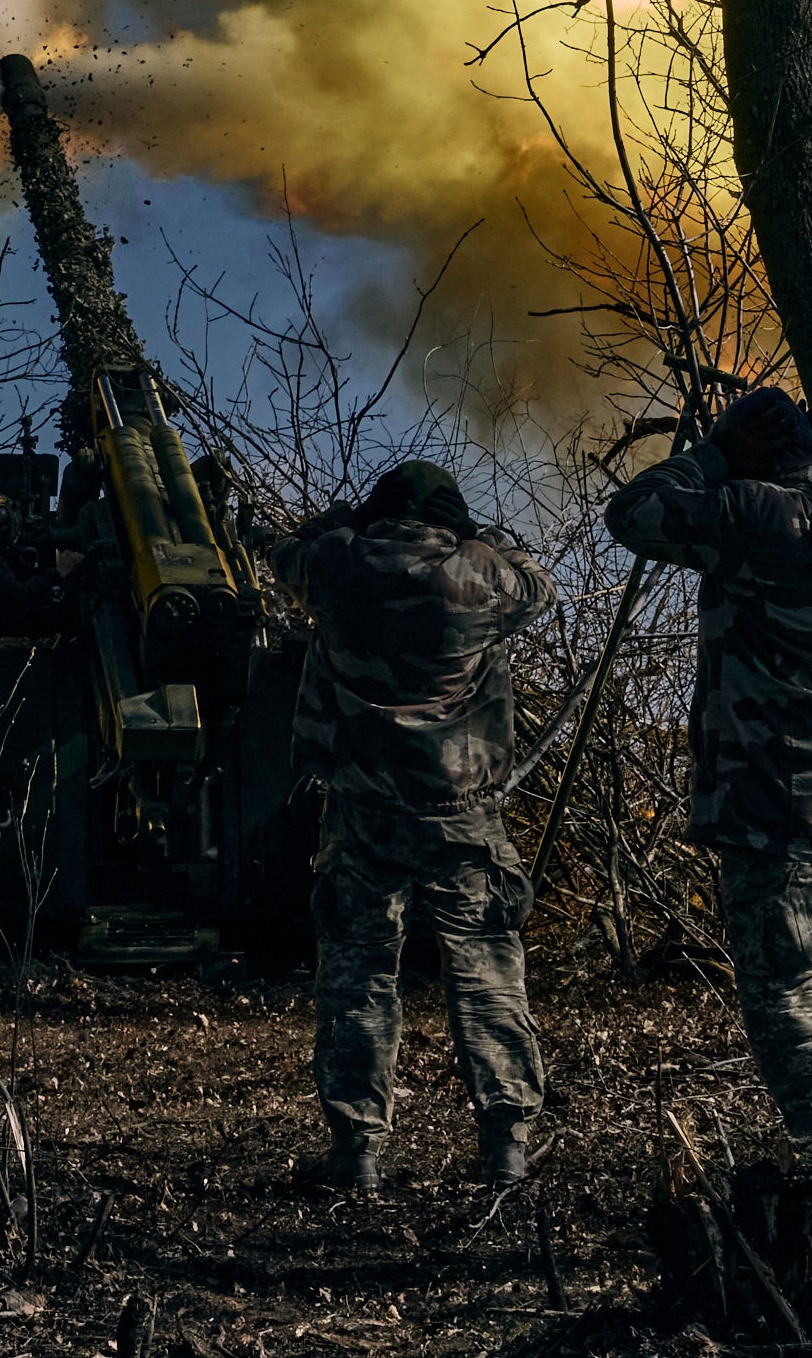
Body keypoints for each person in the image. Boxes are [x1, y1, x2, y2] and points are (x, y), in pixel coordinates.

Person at [606, 387, 812, 1172]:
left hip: (769, 794)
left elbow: (633, 512)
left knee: (793, 993)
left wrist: (713, 455)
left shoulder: (754, 509)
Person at [281, 459, 557, 1194]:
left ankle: (356, 1152)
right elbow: (539, 584)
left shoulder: (337, 562)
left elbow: (282, 554)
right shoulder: (481, 573)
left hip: (362, 809)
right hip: (463, 813)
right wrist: (488, 538)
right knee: (488, 972)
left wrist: (332, 524)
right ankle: (507, 1146)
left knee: (359, 974)